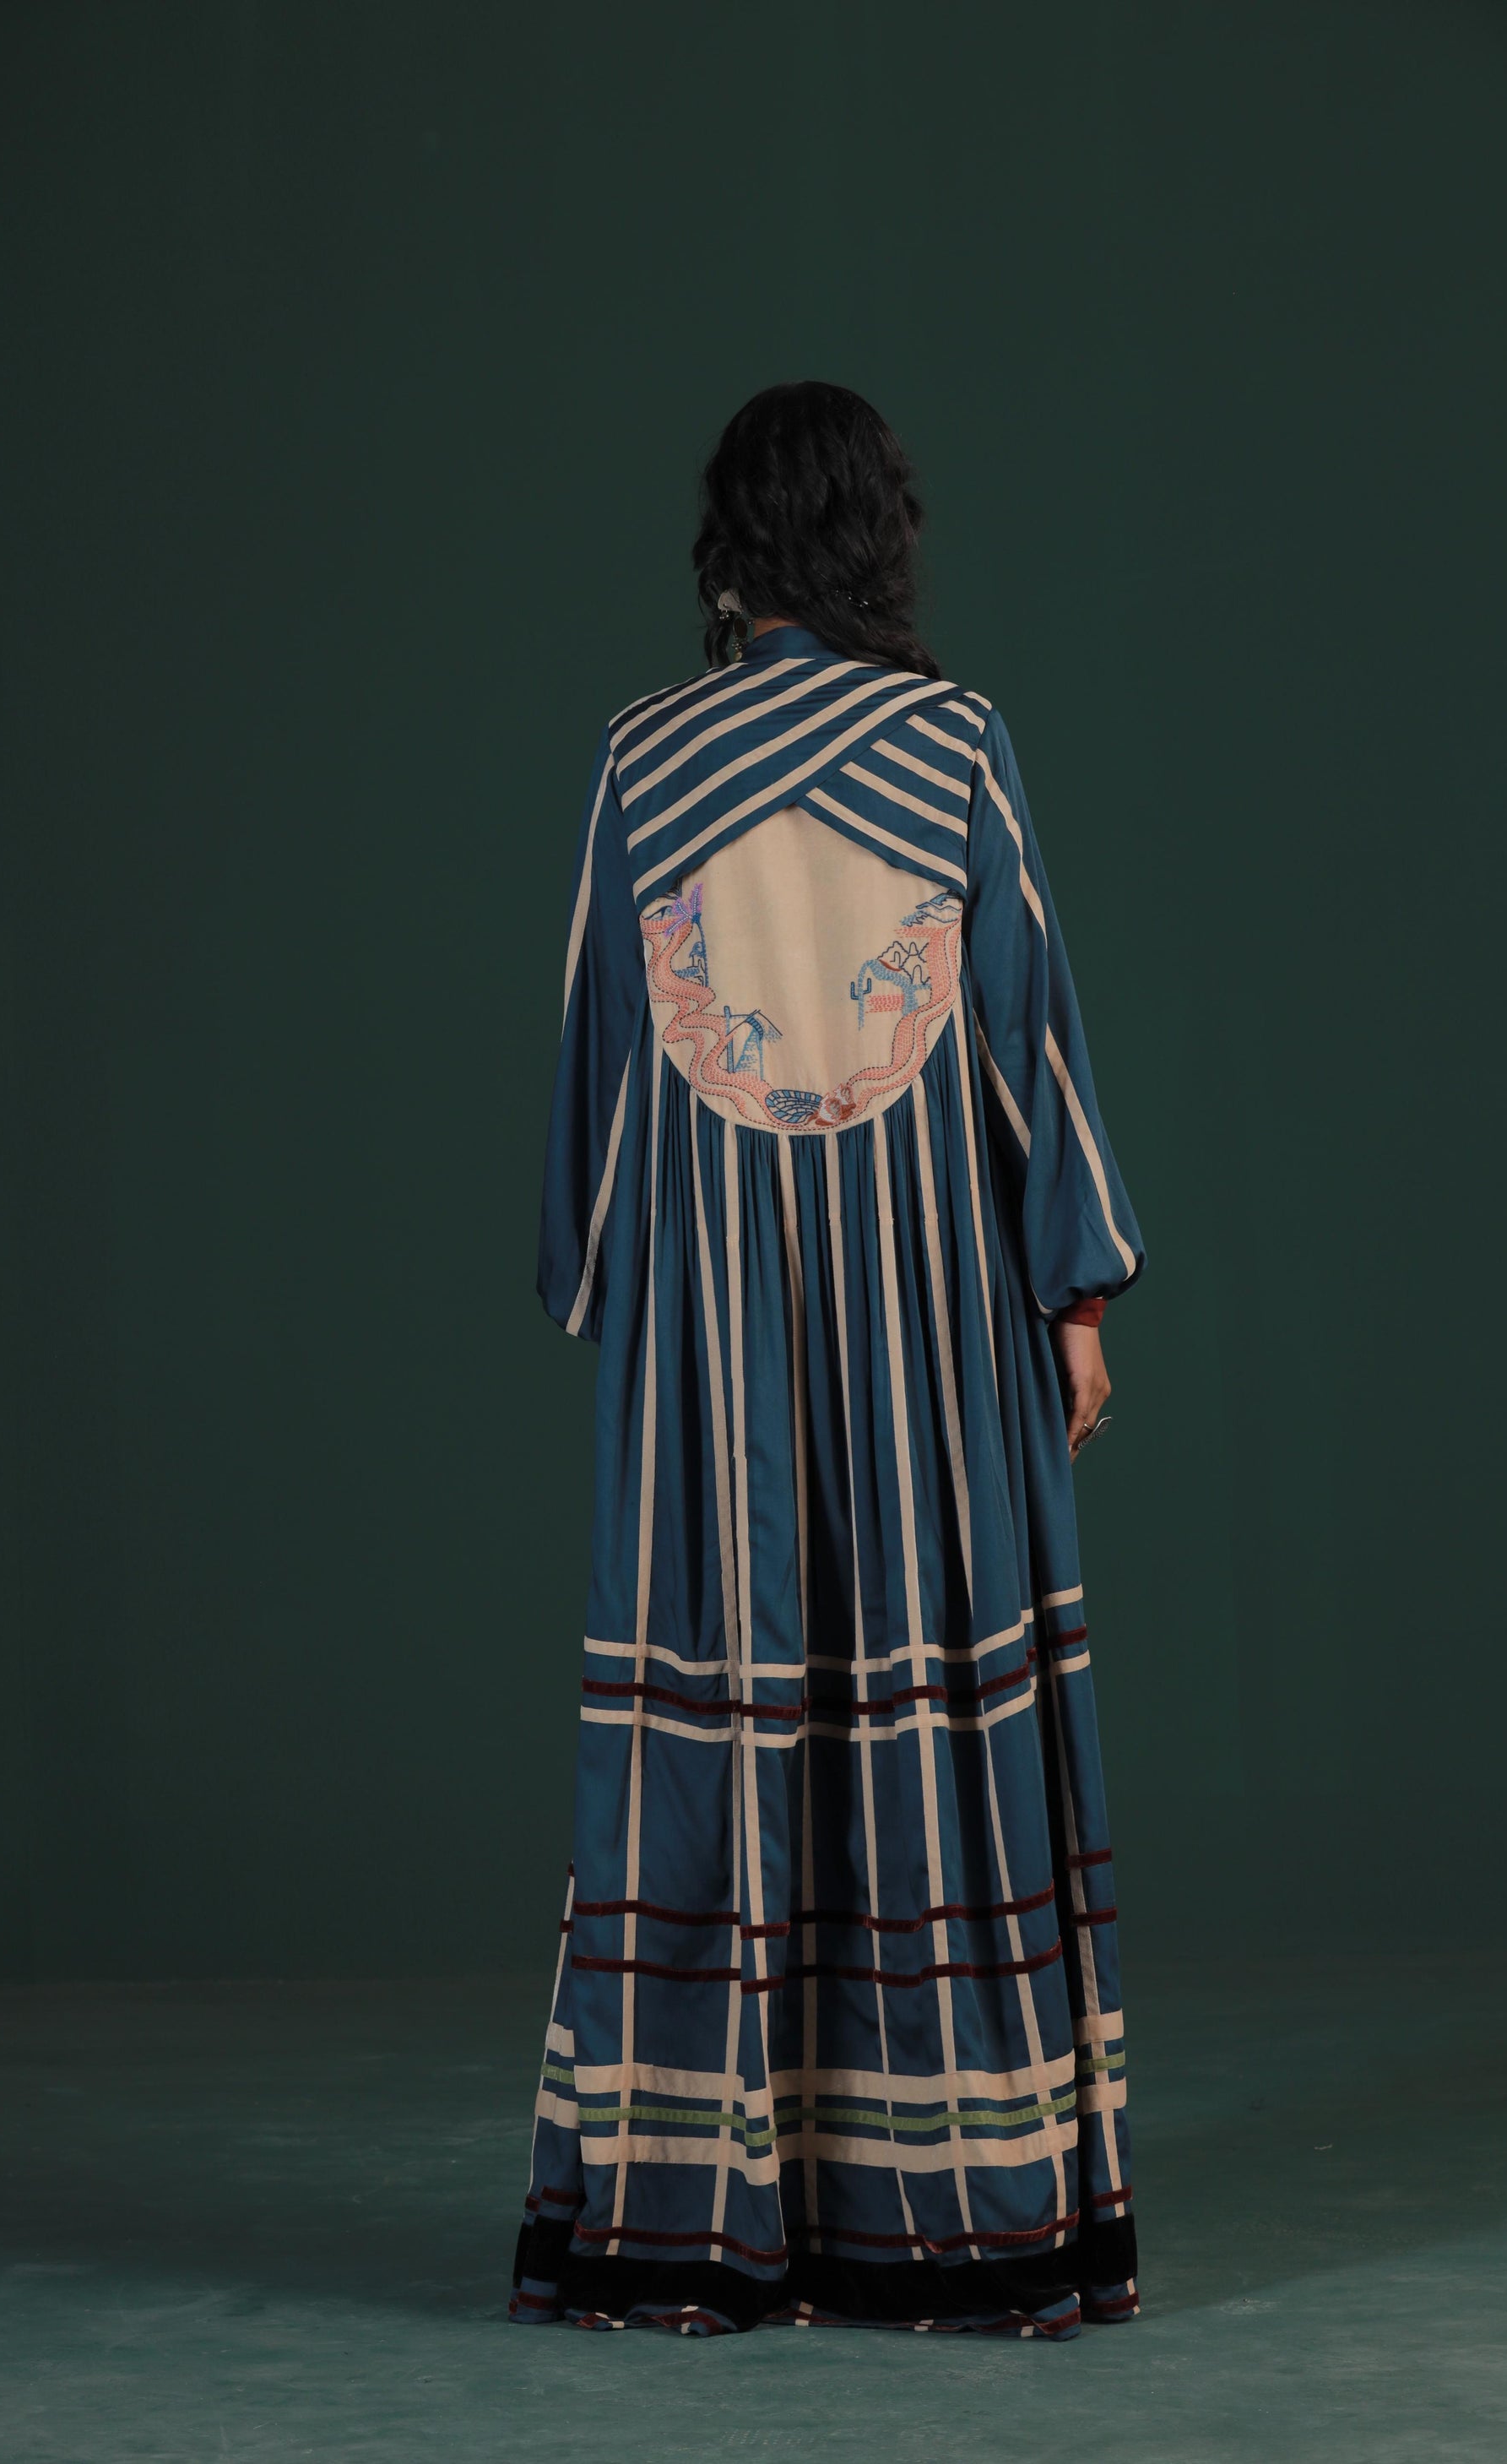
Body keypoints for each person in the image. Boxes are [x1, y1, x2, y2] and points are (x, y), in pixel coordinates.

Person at [509, 382, 1144, 2338]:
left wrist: (605, 1284)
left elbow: (599, 1071)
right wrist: (1074, 1292)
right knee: (928, 1711)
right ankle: (955, 2219)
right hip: (926, 1331)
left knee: (721, 1722)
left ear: (730, 544)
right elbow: (1027, 1031)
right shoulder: (953, 744)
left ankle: (690, 2224)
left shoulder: (642, 755)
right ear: (878, 536)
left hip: (712, 1350)